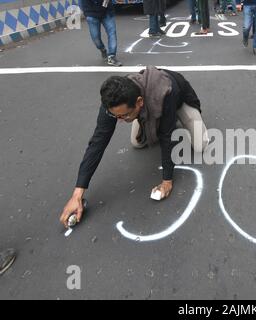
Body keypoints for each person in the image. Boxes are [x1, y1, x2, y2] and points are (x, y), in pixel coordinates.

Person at [59, 66, 209, 228]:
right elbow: (98, 142)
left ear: (139, 102)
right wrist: (78, 193)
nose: (120, 120)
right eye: (116, 116)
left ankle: (174, 119)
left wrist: (167, 181)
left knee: (200, 144)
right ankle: (152, 119)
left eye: (124, 115)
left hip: (177, 100)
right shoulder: (113, 102)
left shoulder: (165, 91)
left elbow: (168, 138)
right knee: (137, 143)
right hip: (147, 108)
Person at [80, 0, 122, 66]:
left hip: (107, 12)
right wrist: (87, 14)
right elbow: (81, 3)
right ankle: (102, 49)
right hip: (92, 14)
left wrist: (105, 5)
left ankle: (112, 56)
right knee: (96, 38)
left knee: (112, 33)